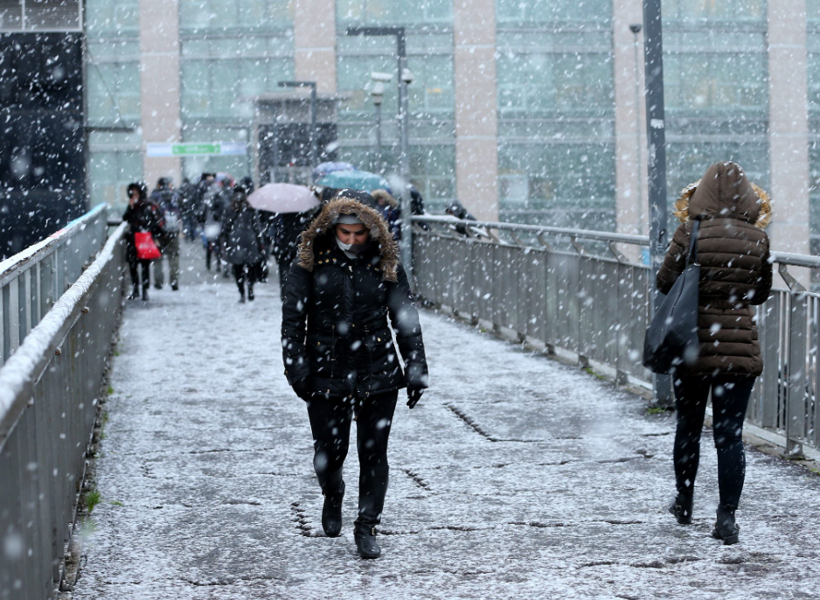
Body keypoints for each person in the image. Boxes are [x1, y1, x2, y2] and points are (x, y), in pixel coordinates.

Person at [281, 194, 429, 559]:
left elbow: (404, 317)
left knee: (374, 452)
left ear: (372, 230)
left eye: (359, 233)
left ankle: (367, 525)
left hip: (377, 370)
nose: (350, 240)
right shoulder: (309, 260)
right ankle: (333, 493)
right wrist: (297, 370)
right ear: (332, 229)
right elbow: (292, 321)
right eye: (344, 232)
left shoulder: (385, 260)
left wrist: (415, 367)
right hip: (324, 372)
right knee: (329, 454)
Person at [656, 161, 772, 545]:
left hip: (691, 346)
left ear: (701, 192)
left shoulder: (691, 231)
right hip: (737, 351)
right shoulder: (758, 238)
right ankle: (726, 519)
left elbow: (664, 282)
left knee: (689, 427)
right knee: (729, 436)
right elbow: (760, 292)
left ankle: (685, 502)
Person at [220, 181, 265, 303]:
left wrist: (224, 240)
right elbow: (257, 227)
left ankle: (242, 293)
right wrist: (261, 243)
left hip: (235, 241)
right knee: (250, 267)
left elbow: (225, 227)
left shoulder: (230, 208)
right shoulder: (250, 207)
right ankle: (250, 287)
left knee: (238, 269)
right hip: (250, 240)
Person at [122, 182, 164, 301]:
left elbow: (154, 222)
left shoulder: (148, 205)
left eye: (136, 193)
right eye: (132, 193)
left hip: (145, 239)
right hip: (133, 239)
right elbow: (125, 218)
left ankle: (144, 290)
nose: (134, 196)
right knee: (133, 266)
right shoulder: (132, 206)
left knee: (145, 266)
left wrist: (155, 237)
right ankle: (136, 289)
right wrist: (130, 207)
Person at [150, 177, 181, 291]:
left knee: (158, 256)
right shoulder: (174, 195)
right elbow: (181, 210)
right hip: (173, 230)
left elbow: (151, 214)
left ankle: (158, 281)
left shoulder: (154, 197)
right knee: (174, 256)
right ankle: (174, 280)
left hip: (159, 231)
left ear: (158, 185)